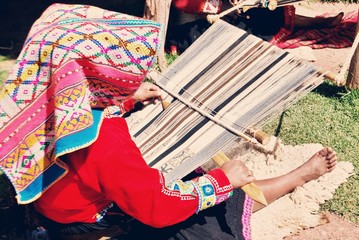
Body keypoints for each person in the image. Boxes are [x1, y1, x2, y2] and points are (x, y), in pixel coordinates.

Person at [0, 3, 338, 240]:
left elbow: (83, 114)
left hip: (53, 200)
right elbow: (157, 207)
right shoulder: (102, 141)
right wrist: (222, 181)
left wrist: (129, 100)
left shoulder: (38, 96)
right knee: (214, 202)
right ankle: (299, 176)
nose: (131, 73)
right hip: (81, 219)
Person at [167, 0, 344, 53]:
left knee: (263, 10)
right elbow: (184, 5)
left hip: (217, 11)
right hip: (188, 24)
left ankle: (318, 22)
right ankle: (319, 23)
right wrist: (225, 7)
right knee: (256, 19)